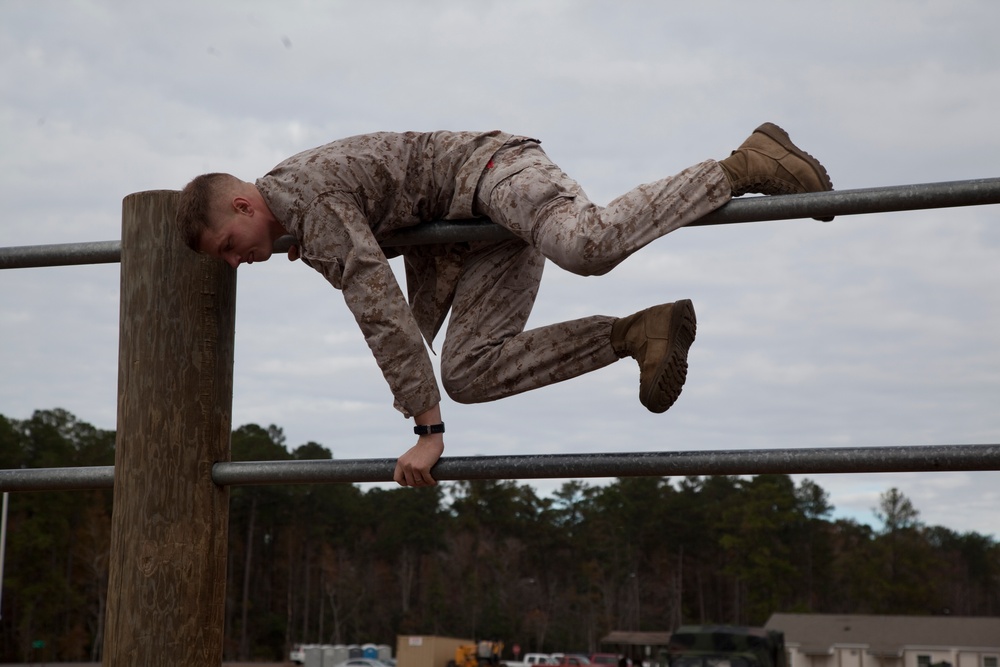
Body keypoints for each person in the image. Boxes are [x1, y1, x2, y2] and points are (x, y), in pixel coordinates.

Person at [176, 124, 832, 487]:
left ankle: (743, 165)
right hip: (476, 237)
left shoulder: (308, 204)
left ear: (243, 206)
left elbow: (382, 314)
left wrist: (428, 434)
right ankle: (637, 333)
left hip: (494, 171)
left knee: (585, 242)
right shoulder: (296, 216)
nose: (236, 264)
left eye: (231, 246)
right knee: (468, 371)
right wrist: (294, 241)